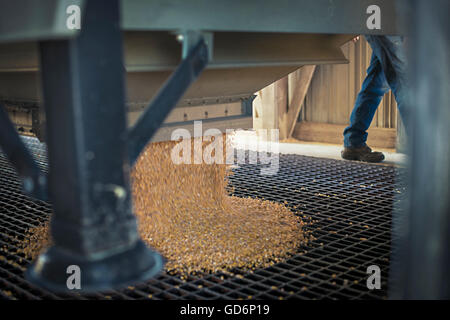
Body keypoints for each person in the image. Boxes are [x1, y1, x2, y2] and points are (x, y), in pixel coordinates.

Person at [342, 35, 408, 163]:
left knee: (377, 82)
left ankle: (354, 142)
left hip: (389, 25)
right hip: (386, 24)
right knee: (404, 82)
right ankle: (424, 151)